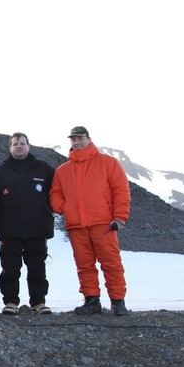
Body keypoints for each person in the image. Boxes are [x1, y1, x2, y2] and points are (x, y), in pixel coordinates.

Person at [50, 126, 131, 316]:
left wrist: (119, 217)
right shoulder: (62, 171)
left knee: (111, 263)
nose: (77, 142)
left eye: (80, 138)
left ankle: (118, 302)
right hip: (77, 226)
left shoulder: (108, 163)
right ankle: (91, 300)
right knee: (84, 265)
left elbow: (121, 191)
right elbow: (55, 195)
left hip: (103, 224)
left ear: (88, 139)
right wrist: (65, 207)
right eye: (73, 139)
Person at [0, 133, 55, 315]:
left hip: (37, 229)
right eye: (15, 144)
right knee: (10, 269)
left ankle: (39, 302)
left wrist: (49, 217)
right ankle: (11, 302)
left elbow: (55, 194)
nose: (19, 146)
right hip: (9, 230)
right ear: (10, 147)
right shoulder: (0, 172)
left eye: (22, 143)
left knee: (37, 268)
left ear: (29, 146)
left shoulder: (43, 169)